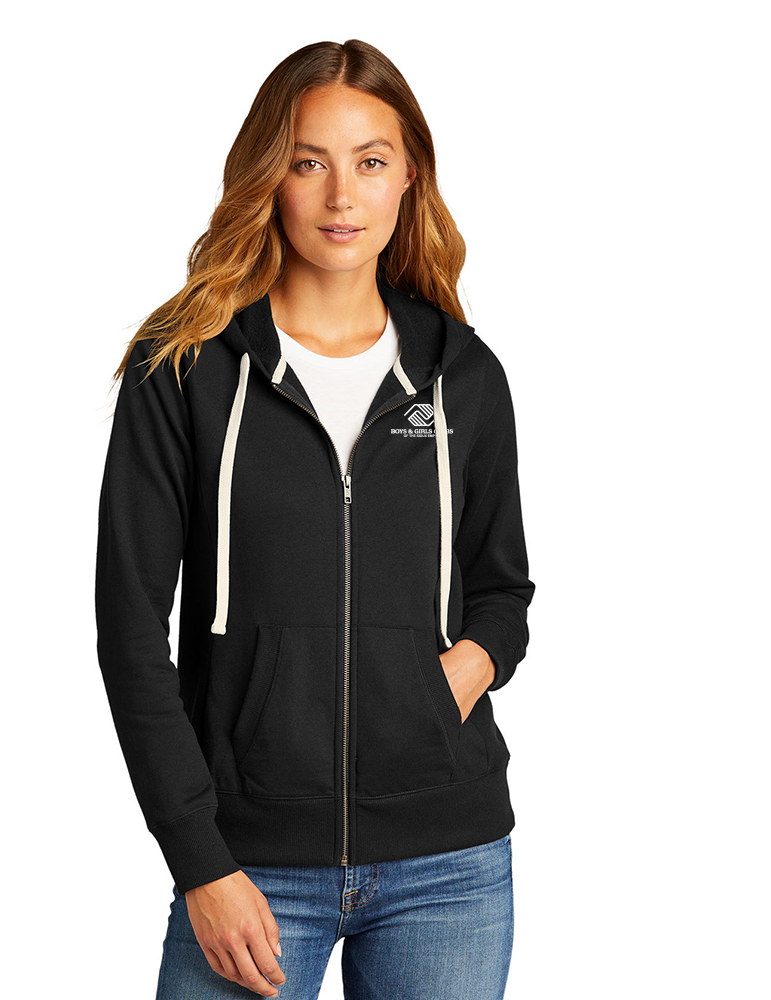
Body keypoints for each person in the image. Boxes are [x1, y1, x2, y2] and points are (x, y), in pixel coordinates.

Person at [95, 38, 535, 1000]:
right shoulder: (186, 368)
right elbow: (130, 634)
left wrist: (458, 676)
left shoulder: (462, 375)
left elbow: (503, 589)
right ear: (270, 175)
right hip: (248, 867)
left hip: (449, 867)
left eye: (370, 161)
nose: (342, 196)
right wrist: (201, 861)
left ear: (409, 176)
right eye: (308, 162)